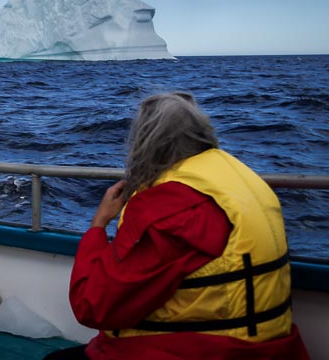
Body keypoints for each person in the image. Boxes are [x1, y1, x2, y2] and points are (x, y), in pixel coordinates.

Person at [46, 92, 309, 360]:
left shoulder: (174, 207)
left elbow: (92, 307)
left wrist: (99, 224)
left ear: (147, 144)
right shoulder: (241, 180)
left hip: (202, 351)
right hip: (272, 349)